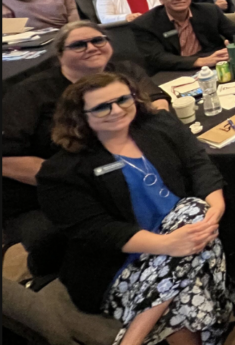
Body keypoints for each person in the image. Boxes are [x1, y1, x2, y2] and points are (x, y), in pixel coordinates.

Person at [37, 72, 235, 345]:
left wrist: (215, 208)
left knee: (195, 213)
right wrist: (166, 244)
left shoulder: (159, 125)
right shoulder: (61, 172)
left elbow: (199, 165)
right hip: (118, 262)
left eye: (122, 99)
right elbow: (96, 231)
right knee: (192, 239)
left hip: (187, 235)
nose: (116, 110)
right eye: (102, 107)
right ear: (79, 116)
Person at [2, 21, 168, 278]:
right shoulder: (30, 93)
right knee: (63, 239)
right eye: (79, 44)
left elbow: (157, 101)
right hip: (42, 193)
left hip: (114, 173)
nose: (91, 48)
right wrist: (80, 183)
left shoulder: (124, 70)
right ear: (60, 55)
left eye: (98, 40)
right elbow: (6, 159)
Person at [132, 0, 235, 73]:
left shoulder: (209, 11)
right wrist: (200, 61)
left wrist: (233, 50)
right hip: (173, 71)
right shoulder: (144, 24)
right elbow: (156, 58)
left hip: (214, 66)